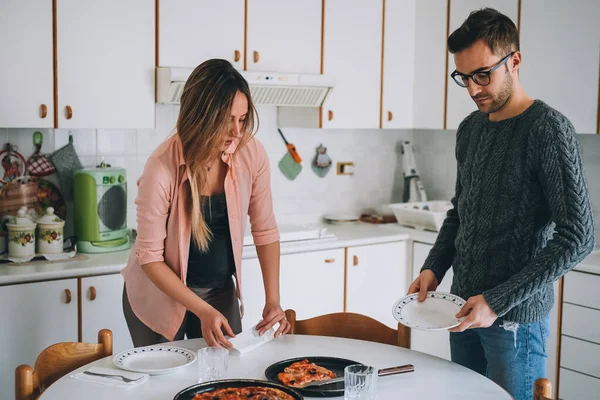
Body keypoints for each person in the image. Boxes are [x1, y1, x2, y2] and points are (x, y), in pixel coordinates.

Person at [407, 8, 595, 400]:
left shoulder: (548, 128)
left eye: (483, 74)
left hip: (515, 322)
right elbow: (461, 211)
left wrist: (496, 302)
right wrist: (433, 267)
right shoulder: (470, 129)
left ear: (515, 61)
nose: (474, 89)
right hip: (460, 311)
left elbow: (578, 236)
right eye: (464, 77)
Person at [121, 59, 290, 349]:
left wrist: (272, 300)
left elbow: (265, 230)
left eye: (242, 119)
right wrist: (200, 309)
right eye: (227, 119)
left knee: (229, 382)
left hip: (218, 292)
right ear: (201, 116)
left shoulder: (251, 154)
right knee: (166, 387)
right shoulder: (161, 168)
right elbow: (149, 257)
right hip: (158, 297)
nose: (237, 132)